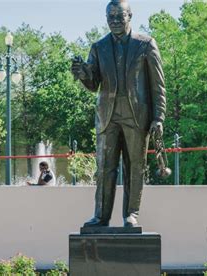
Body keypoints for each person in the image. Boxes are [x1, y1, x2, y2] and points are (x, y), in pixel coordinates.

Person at [71, 0, 166, 228]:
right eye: (110, 17)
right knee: (104, 167)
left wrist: (159, 117)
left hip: (137, 116)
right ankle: (101, 216)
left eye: (119, 16)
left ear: (130, 16)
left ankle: (131, 214)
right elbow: (94, 84)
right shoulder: (98, 47)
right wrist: (83, 73)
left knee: (135, 166)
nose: (114, 21)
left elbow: (158, 85)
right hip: (107, 116)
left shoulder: (146, 44)